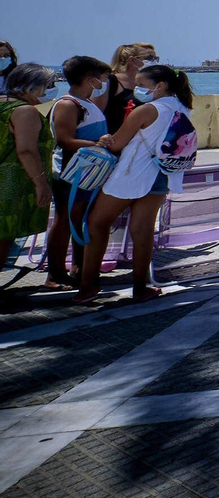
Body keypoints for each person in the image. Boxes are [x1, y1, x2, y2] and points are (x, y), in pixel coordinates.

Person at [77, 64, 196, 304]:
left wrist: (102, 140)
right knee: (142, 232)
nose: (137, 90)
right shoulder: (183, 108)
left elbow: (118, 144)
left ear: (159, 85)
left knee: (96, 223)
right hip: (161, 175)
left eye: (141, 85)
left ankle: (88, 285)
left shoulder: (147, 110)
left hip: (131, 175)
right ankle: (140, 287)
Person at [44, 56, 112, 290]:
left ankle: (78, 267)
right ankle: (54, 274)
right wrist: (97, 143)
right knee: (64, 221)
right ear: (91, 80)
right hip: (70, 173)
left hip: (87, 172)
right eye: (103, 79)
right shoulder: (68, 104)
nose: (105, 82)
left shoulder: (86, 103)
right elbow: (64, 140)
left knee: (80, 220)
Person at [1, 64, 56, 311]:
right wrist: (41, 182)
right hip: (11, 181)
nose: (52, 90)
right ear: (32, 86)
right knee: (4, 235)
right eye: (49, 84)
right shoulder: (25, 111)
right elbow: (25, 149)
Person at [104, 43, 158, 136]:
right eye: (149, 58)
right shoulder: (112, 81)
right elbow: (97, 111)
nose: (153, 62)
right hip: (113, 138)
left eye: (156, 58)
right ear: (132, 60)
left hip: (140, 141)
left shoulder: (152, 84)